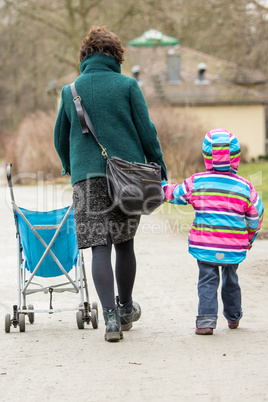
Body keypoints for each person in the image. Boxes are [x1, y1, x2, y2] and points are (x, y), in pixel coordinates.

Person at [54, 25, 167, 342]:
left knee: (98, 249)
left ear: (84, 56)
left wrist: (70, 166)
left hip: (86, 180)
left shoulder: (70, 90)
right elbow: (147, 133)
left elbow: (59, 138)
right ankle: (127, 307)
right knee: (124, 244)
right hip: (127, 177)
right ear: (116, 56)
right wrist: (160, 168)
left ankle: (111, 320)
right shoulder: (127, 85)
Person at [162, 128, 264, 335]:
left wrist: (161, 187)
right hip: (234, 246)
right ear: (236, 157)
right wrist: (249, 238)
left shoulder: (197, 182)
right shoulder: (245, 187)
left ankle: (206, 321)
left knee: (207, 279)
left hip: (206, 245)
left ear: (207, 157)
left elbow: (177, 194)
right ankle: (233, 317)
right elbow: (256, 216)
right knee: (231, 278)